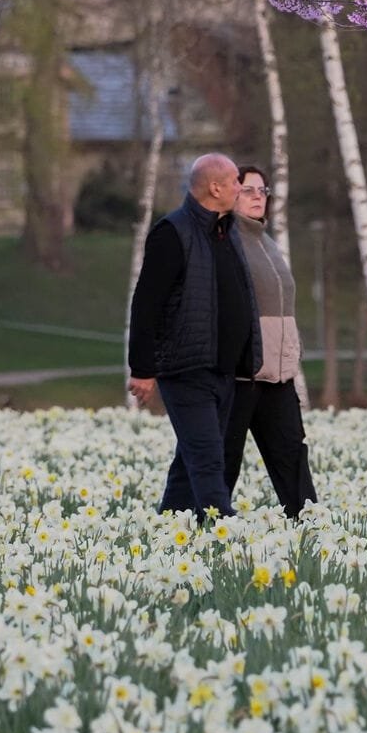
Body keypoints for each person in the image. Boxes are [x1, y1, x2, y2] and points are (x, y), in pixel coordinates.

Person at [127, 153, 262, 520]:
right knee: (208, 458)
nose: (242, 188)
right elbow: (146, 304)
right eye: (236, 181)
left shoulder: (226, 231)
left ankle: (169, 528)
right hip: (187, 369)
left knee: (191, 459)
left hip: (223, 369)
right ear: (215, 187)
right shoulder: (172, 232)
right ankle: (225, 536)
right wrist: (142, 368)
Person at [223, 164, 317, 518]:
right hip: (241, 375)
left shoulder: (269, 243)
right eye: (249, 190)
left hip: (278, 374)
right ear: (231, 194)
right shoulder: (225, 242)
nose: (258, 197)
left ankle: (309, 527)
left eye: (263, 191)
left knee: (292, 452)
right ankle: (203, 529)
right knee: (224, 458)